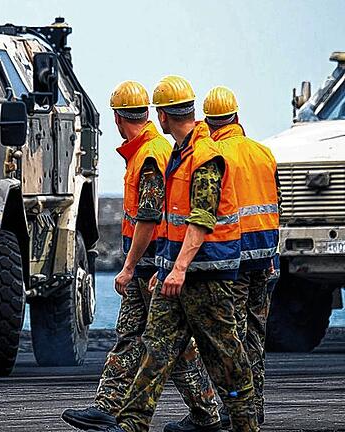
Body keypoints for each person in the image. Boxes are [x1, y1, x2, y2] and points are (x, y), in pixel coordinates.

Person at [66, 75, 258, 432]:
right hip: (174, 271)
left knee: (225, 354)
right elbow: (173, 218)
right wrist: (167, 266)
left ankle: (240, 421)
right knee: (156, 346)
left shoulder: (198, 156)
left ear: (165, 115)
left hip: (208, 274)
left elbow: (197, 218)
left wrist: (169, 266)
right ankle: (130, 423)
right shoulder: (177, 154)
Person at [166, 87, 280, 431]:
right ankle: (253, 408)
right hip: (264, 256)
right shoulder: (264, 153)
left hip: (234, 261)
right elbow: (277, 205)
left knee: (229, 340)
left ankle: (235, 412)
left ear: (208, 121)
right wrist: (272, 254)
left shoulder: (215, 154)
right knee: (255, 337)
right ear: (237, 116)